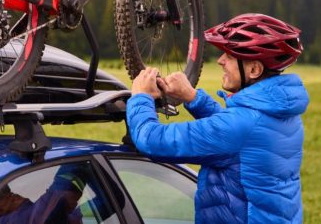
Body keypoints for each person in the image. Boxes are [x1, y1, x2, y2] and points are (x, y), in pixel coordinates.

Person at [126, 13, 310, 224]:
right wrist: (194, 98)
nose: (220, 61)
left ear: (254, 69)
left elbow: (152, 140)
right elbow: (236, 139)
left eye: (229, 56)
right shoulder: (282, 115)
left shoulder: (241, 126)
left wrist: (141, 97)